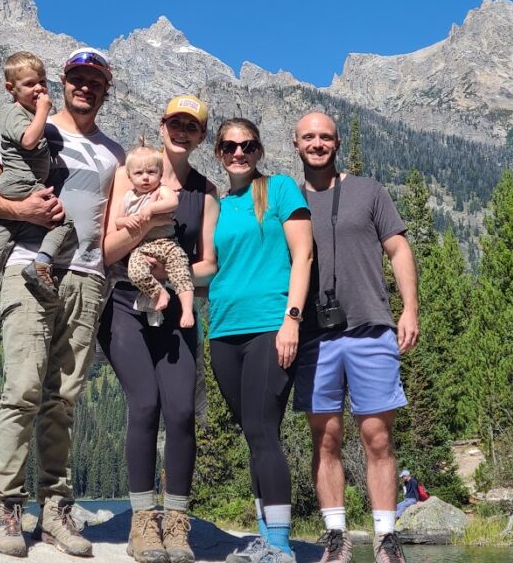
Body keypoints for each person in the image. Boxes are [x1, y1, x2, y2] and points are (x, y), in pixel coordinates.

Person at [0, 47, 124, 558]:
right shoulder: (33, 127)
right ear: (63, 81)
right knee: (25, 387)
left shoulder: (114, 154)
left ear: (105, 89)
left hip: (86, 279)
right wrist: (19, 206)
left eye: (94, 80)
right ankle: (6, 508)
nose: (84, 86)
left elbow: (113, 224)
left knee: (63, 398)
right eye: (76, 77)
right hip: (25, 268)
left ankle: (55, 509)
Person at [290, 112, 419, 563]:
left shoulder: (369, 191)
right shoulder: (288, 198)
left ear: (338, 142)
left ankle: (386, 537)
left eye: (325, 136)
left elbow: (399, 248)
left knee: (377, 437)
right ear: (296, 143)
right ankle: (336, 535)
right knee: (324, 439)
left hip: (371, 328)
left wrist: (410, 309)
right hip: (313, 338)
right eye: (309, 136)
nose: (318, 143)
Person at [99, 94, 218, 563]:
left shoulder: (204, 193)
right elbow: (107, 249)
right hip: (126, 306)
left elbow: (209, 263)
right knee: (145, 404)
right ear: (162, 125)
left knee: (182, 411)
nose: (182, 131)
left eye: (192, 126)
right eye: (175, 123)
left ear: (201, 136)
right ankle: (144, 522)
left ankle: (177, 522)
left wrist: (174, 273)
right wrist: (145, 223)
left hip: (176, 313)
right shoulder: (129, 174)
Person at [204, 117, 314, 563]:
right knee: (252, 434)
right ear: (218, 153)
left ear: (259, 151)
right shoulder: (219, 205)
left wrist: (292, 319)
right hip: (224, 330)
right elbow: (210, 265)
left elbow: (303, 254)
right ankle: (265, 537)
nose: (239, 154)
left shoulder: (279, 188)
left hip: (272, 323)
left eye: (247, 146)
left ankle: (281, 546)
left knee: (263, 429)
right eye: (230, 146)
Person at [0, 51, 75, 329]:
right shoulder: (14, 113)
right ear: (10, 89)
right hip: (22, 183)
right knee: (64, 221)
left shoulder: (27, 114)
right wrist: (43, 113)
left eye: (42, 81)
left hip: (17, 184)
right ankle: (41, 264)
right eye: (29, 84)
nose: (38, 88)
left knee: (0, 240)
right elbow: (28, 141)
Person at [116, 143, 195, 329]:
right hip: (142, 247)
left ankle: (187, 310)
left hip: (166, 243)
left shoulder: (161, 190)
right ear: (129, 176)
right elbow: (118, 221)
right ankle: (158, 293)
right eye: (139, 173)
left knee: (180, 271)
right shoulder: (128, 197)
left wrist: (151, 207)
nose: (145, 177)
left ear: (160, 173)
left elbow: (172, 202)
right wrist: (126, 222)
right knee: (135, 271)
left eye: (151, 172)